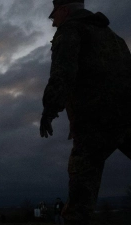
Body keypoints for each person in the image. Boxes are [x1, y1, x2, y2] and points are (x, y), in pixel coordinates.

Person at [40, 0, 131, 224]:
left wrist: (49, 111)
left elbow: (63, 75)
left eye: (54, 18)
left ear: (64, 10)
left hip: (94, 125)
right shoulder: (115, 38)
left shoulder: (70, 30)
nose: (53, 24)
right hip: (127, 119)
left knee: (79, 205)